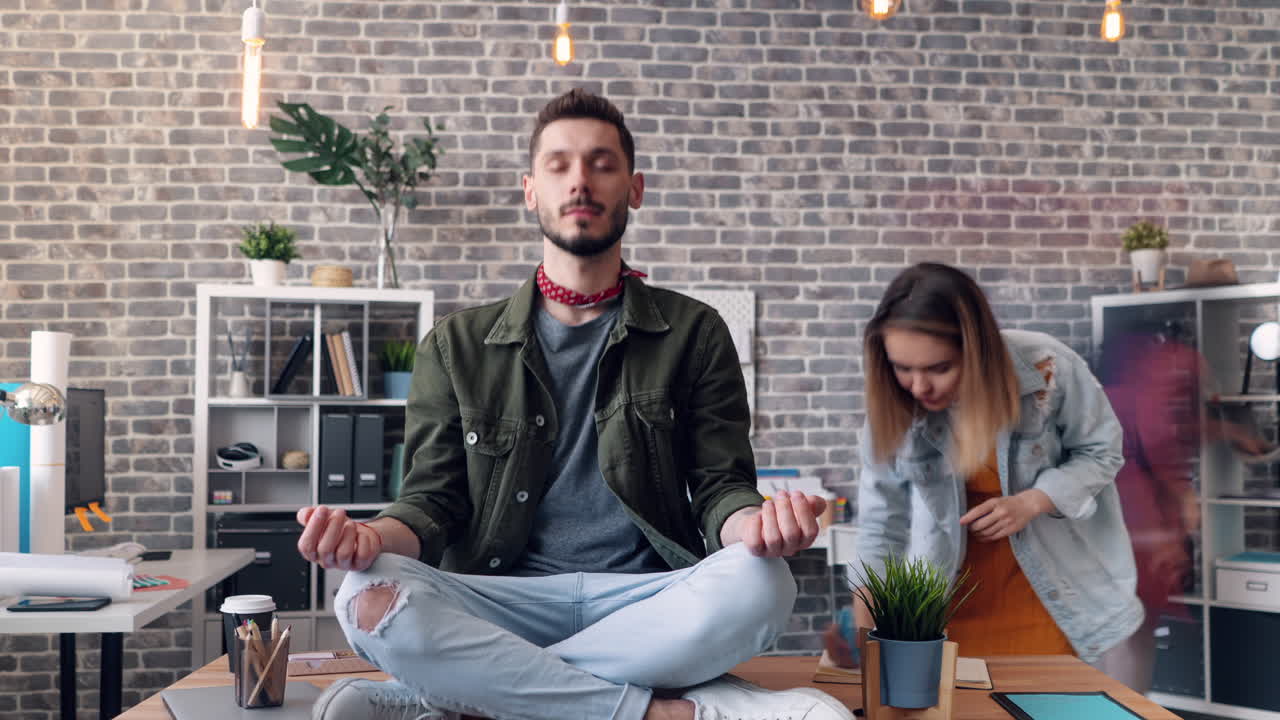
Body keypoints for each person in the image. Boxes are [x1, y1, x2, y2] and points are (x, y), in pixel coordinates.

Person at [296, 88, 854, 720]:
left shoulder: (695, 331)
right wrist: (368, 537)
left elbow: (722, 486)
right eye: (559, 165)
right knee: (363, 594)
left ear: (634, 189)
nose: (580, 180)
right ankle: (669, 711)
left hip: (646, 600)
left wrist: (757, 528)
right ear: (530, 190)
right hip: (501, 599)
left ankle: (464, 694)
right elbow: (432, 503)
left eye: (602, 163)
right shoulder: (455, 345)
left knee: (764, 582)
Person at [824, 262, 1143, 674]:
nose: (919, 387)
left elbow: (1102, 452)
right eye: (903, 369)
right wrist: (868, 636)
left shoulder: (1047, 368)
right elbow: (882, 526)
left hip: (1057, 604)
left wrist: (1034, 501)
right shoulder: (893, 408)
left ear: (976, 350)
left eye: (939, 369)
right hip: (942, 616)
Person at [1099, 322, 1275, 691]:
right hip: (1139, 505)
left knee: (1123, 619)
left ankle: (1123, 702)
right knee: (1134, 623)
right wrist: (1183, 492)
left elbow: (1171, 427)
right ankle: (1128, 704)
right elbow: (1159, 433)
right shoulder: (1172, 363)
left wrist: (1232, 432)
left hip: (1113, 504)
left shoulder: (1123, 371)